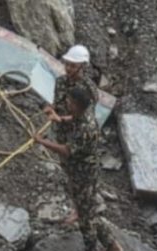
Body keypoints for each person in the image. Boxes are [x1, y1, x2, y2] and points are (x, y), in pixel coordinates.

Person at [33, 86, 122, 251]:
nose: (67, 104)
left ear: (77, 105)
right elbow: (74, 119)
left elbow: (66, 150)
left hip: (84, 176)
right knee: (86, 210)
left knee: (87, 220)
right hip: (80, 172)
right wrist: (59, 119)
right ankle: (112, 244)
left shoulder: (85, 130)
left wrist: (42, 142)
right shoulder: (86, 112)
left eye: (70, 103)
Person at [43, 45, 100, 225]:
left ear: (82, 66)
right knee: (68, 172)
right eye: (67, 64)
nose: (69, 69)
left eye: (73, 66)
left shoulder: (88, 89)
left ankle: (86, 209)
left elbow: (85, 116)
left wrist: (61, 118)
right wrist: (50, 109)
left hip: (78, 136)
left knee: (81, 175)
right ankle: (79, 206)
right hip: (62, 132)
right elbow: (56, 101)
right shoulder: (60, 81)